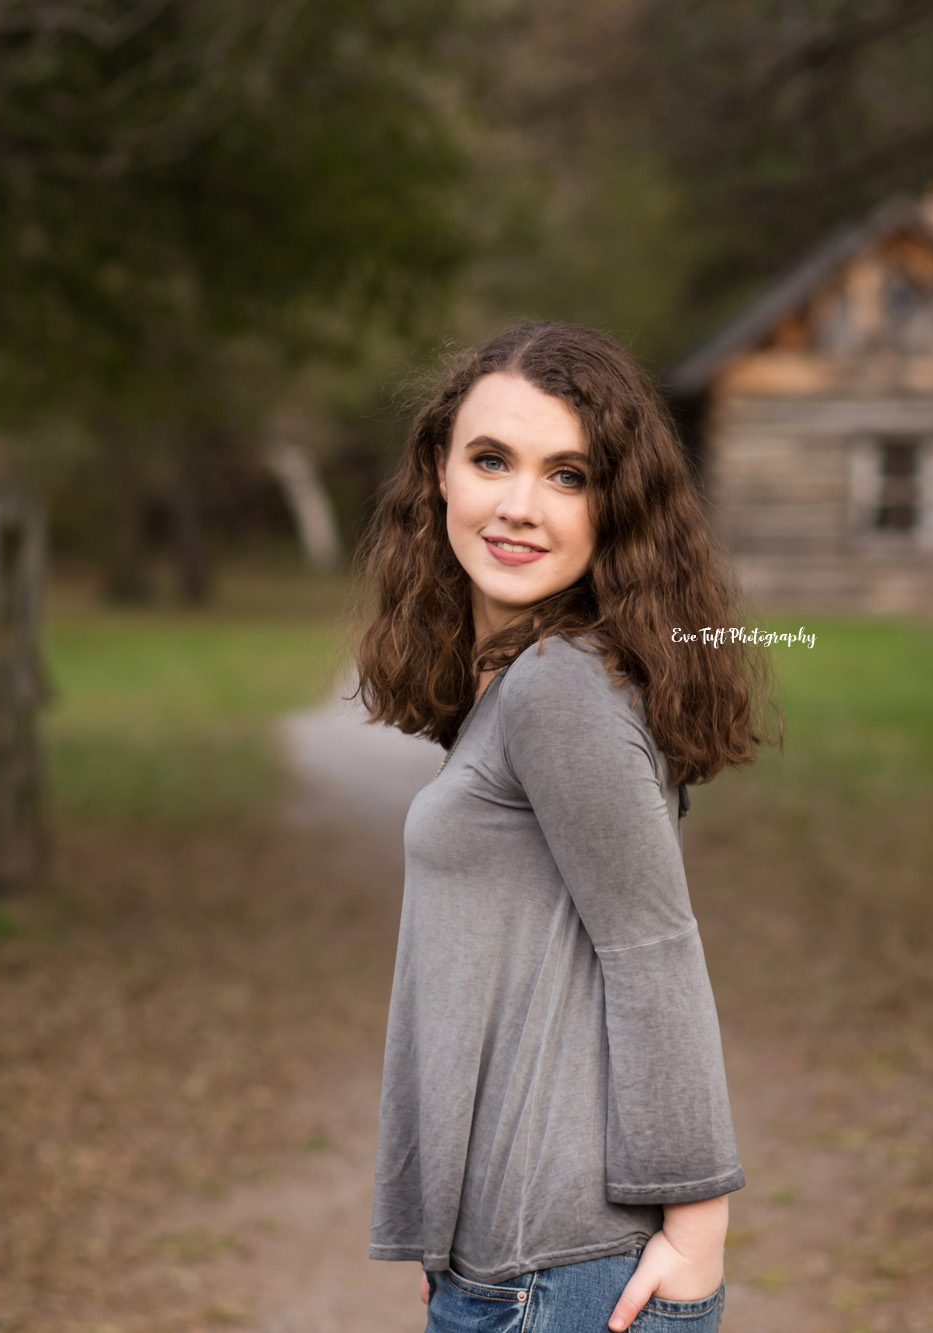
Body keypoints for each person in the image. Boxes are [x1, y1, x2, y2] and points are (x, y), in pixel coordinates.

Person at [352, 321, 776, 1331]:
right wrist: (453, 1228)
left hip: (563, 1277)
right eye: (490, 459)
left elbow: (652, 950)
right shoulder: (524, 680)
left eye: (568, 475)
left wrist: (696, 1233)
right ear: (439, 474)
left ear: (614, 510)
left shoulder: (558, 689)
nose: (517, 505)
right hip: (510, 1266)